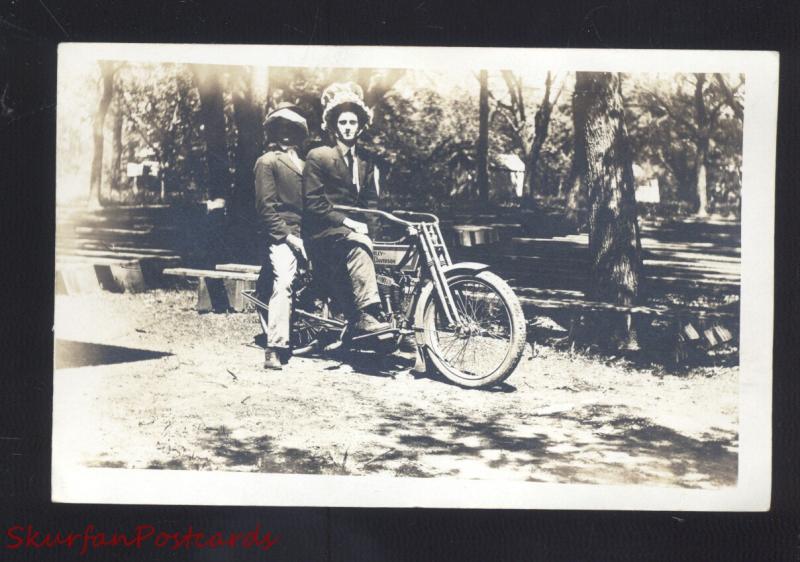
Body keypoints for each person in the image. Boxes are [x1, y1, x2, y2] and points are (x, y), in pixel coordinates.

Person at [302, 82, 391, 337]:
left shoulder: (367, 162)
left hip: (354, 234)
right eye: (342, 123)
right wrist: (349, 223)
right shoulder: (318, 156)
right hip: (323, 232)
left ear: (361, 126)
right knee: (358, 245)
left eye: (353, 122)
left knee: (389, 255)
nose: (348, 127)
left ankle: (392, 318)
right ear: (333, 126)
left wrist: (374, 234)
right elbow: (314, 202)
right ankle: (366, 314)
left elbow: (371, 204)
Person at [254, 104, 309, 370]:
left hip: (308, 231)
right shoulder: (267, 161)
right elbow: (266, 208)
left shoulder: (306, 163)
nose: (286, 133)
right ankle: (274, 347)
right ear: (273, 131)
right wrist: (289, 237)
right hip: (282, 235)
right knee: (284, 281)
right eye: (280, 127)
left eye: (292, 128)